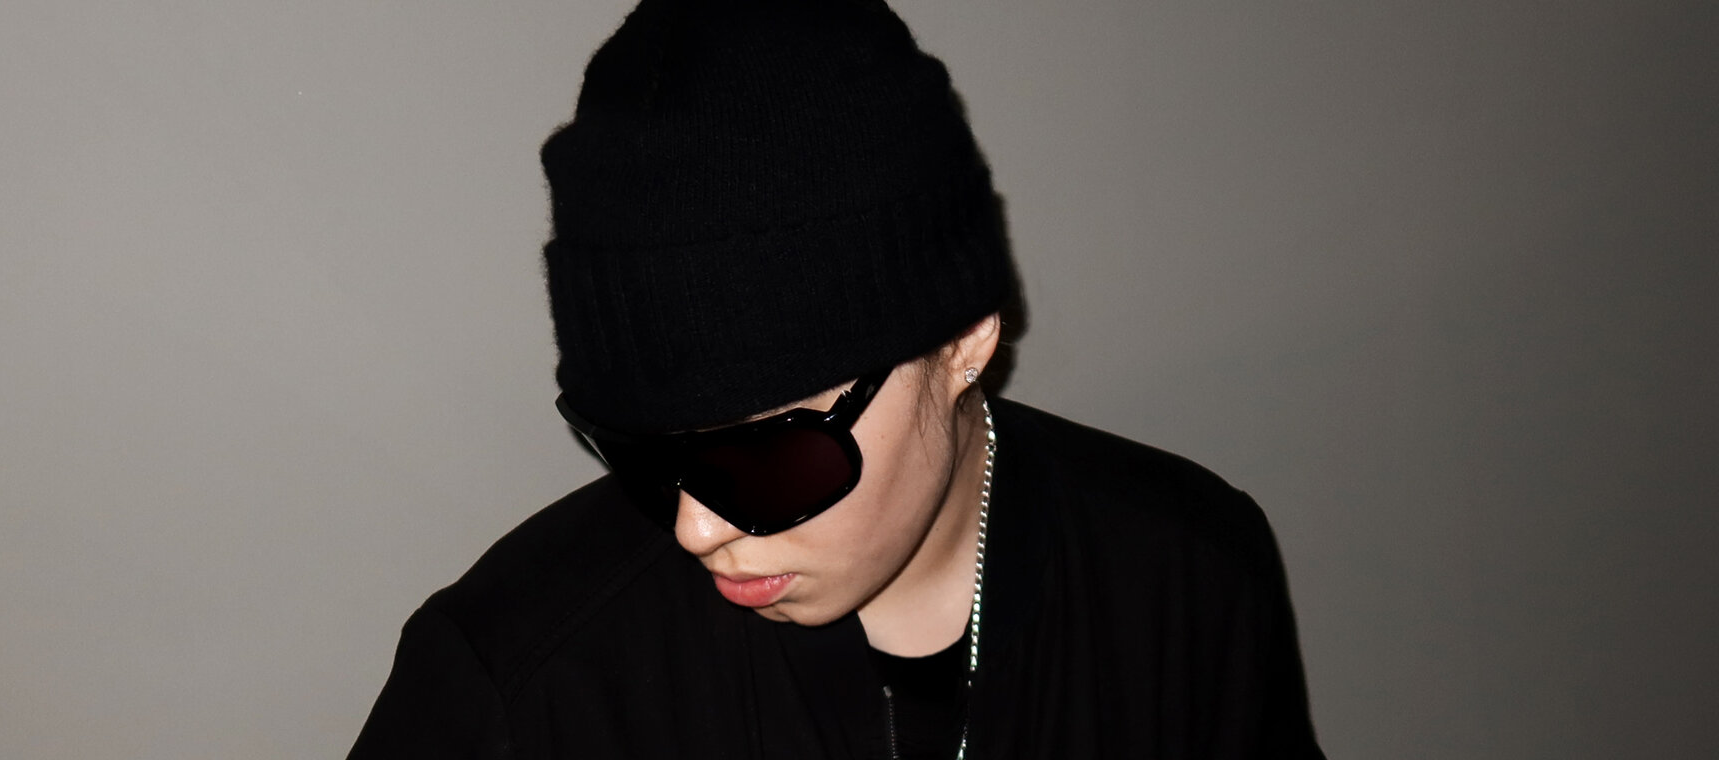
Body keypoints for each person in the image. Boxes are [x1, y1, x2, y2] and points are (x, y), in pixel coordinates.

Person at [347, 0, 1326, 757]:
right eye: (642, 451)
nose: (696, 528)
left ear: (964, 339)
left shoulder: (1188, 578)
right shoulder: (518, 682)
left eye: (766, 453)